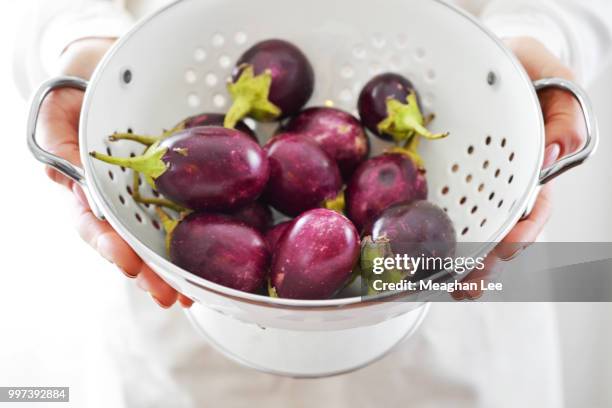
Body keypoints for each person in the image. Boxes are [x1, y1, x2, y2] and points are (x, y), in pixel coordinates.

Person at [14, 0, 612, 406]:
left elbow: (569, 7)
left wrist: (533, 48)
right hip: (188, 335)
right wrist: (82, 41)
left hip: (449, 350)